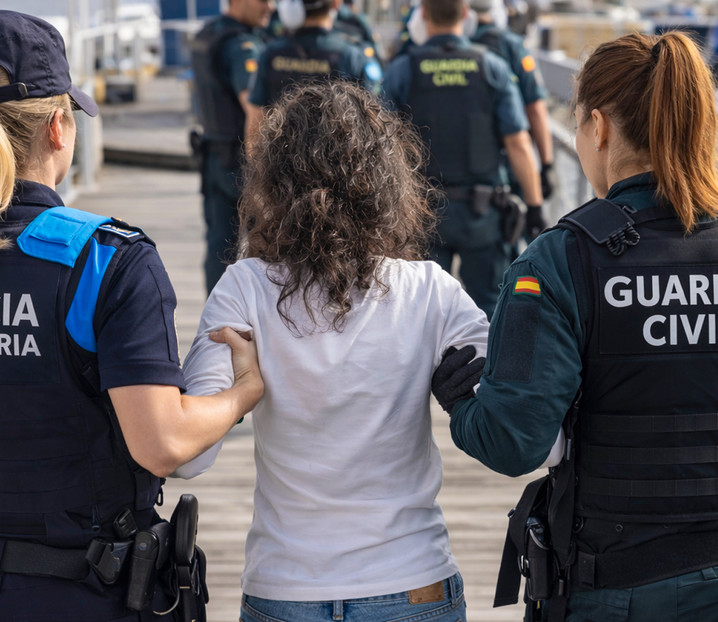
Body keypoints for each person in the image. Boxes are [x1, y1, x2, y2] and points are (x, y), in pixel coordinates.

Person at [0, 10, 264, 622]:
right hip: (88, 595)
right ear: (58, 128)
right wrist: (242, 393)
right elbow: (163, 444)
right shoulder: (107, 261)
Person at [436, 31, 718, 621]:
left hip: (612, 589)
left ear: (599, 128)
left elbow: (514, 440)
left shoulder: (559, 262)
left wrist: (462, 400)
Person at [180, 81, 489, 622]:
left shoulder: (243, 288)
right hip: (414, 585)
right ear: (388, 183)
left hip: (285, 591)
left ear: (272, 181)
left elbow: (187, 457)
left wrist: (240, 393)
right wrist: (465, 402)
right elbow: (533, 437)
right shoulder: (432, 290)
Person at [383, 0, 544, 318]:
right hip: (481, 215)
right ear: (467, 16)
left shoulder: (403, 69)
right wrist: (536, 206)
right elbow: (518, 142)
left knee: (420, 312)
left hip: (421, 215)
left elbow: (383, 144)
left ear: (424, 14)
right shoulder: (491, 66)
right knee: (489, 313)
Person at [191, 0, 274, 294]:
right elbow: (254, 108)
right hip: (240, 162)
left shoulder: (208, 33)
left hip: (212, 153)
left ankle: (215, 320)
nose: (271, 7)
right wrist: (263, 167)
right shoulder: (242, 46)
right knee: (263, 249)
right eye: (263, 0)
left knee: (218, 245)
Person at [469, 0, 556, 225]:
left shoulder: (445, 45)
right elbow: (535, 108)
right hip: (506, 165)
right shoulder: (510, 45)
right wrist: (546, 165)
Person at [245, 0, 383, 137]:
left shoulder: (270, 54)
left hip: (280, 154)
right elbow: (373, 122)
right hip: (339, 156)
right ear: (336, 3)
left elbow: (255, 123)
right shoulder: (352, 55)